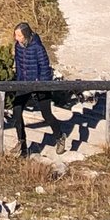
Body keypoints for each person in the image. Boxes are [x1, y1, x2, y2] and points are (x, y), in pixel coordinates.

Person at [10, 23, 67, 156]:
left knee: (46, 114)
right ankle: (22, 143)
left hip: (40, 84)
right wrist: (18, 80)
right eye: (15, 35)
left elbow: (44, 67)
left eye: (19, 35)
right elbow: (18, 64)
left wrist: (41, 85)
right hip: (23, 83)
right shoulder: (18, 46)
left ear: (26, 35)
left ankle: (60, 136)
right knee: (16, 111)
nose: (16, 38)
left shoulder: (37, 47)